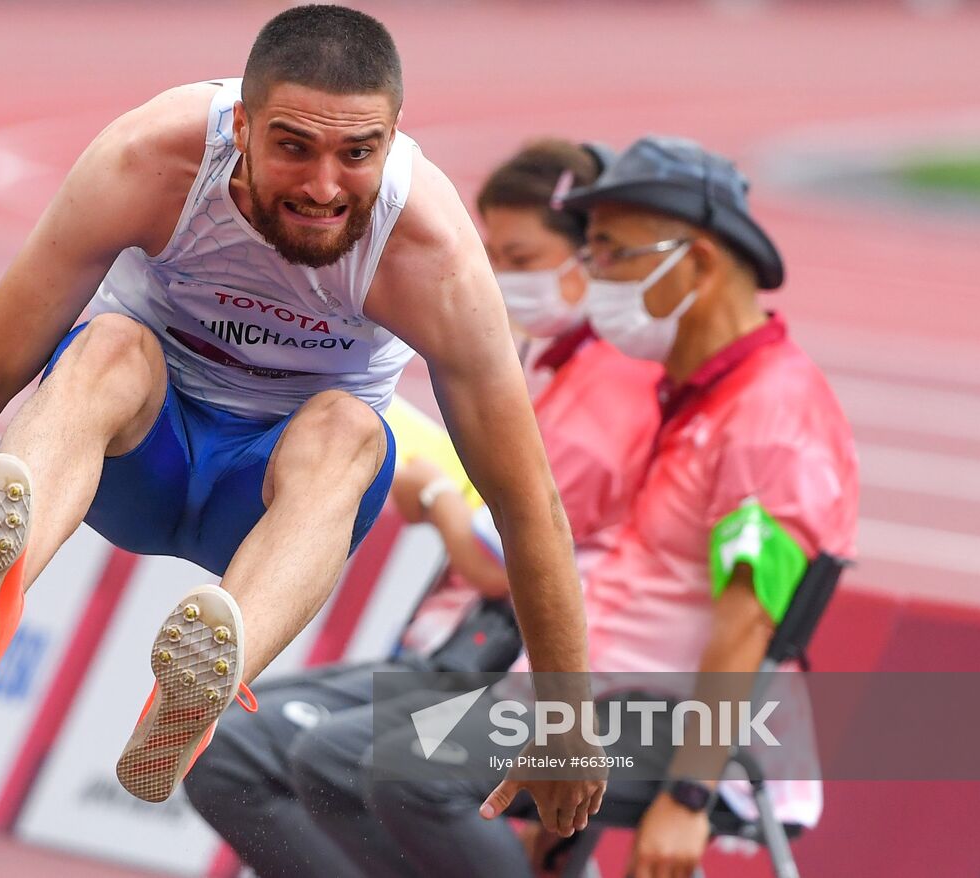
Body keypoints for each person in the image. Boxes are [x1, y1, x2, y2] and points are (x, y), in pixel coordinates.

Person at [0, 5, 604, 824]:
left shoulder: (429, 252)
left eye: (358, 154)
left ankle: (207, 674)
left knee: (351, 424)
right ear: (239, 130)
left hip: (271, 504)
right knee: (110, 343)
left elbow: (528, 502)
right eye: (293, 148)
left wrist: (565, 715)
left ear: (393, 139)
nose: (326, 187)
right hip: (136, 454)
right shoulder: (152, 160)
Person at [323, 136, 858, 878]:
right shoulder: (695, 396)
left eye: (611, 254)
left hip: (676, 730)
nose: (594, 276)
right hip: (598, 704)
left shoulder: (771, 416)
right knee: (343, 755)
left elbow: (750, 620)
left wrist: (689, 795)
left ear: (696, 263)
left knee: (406, 769)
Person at [183, 139, 662, 877]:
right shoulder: (544, 370)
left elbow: (510, 567)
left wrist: (434, 491)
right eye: (490, 252)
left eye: (523, 257)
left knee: (317, 758)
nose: (500, 278)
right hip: (453, 652)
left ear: (589, 258)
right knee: (220, 744)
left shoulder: (605, 397)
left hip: (507, 666)